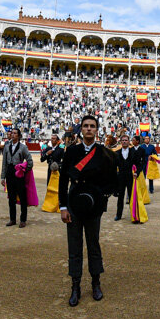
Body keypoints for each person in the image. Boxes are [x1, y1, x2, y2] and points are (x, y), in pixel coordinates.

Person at [59, 115, 118, 307]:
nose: (89, 129)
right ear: (81, 129)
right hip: (74, 203)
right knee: (74, 246)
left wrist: (102, 198)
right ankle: (75, 286)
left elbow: (112, 180)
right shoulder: (71, 151)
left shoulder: (104, 153)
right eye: (86, 126)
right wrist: (63, 207)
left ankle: (95, 283)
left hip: (93, 205)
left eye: (92, 126)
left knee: (93, 245)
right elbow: (63, 180)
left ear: (97, 130)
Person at [0, 127, 34, 228]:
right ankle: (12, 219)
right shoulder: (7, 147)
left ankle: (23, 220)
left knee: (23, 197)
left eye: (15, 133)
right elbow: (4, 163)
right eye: (12, 133)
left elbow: (30, 161)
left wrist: (24, 170)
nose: (12, 135)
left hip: (19, 173)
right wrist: (3, 177)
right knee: (11, 198)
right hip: (10, 173)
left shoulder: (23, 147)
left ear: (19, 136)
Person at [115, 134, 144, 221]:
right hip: (120, 178)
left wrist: (137, 173)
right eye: (123, 140)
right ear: (121, 142)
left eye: (126, 140)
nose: (124, 142)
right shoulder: (117, 153)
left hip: (131, 177)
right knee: (120, 197)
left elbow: (139, 164)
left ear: (128, 142)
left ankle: (134, 215)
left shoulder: (134, 152)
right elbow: (113, 167)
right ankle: (118, 215)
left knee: (132, 196)